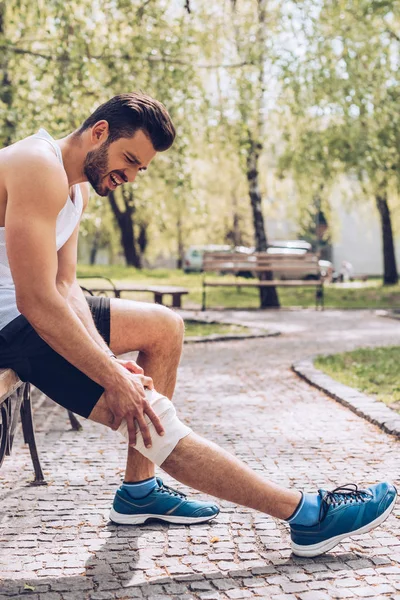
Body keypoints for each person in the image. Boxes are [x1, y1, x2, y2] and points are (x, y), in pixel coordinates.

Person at [0, 92, 396, 558]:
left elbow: (66, 286)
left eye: (139, 169)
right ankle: (308, 516)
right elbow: (38, 301)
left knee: (164, 327)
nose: (128, 177)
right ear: (100, 132)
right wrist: (113, 377)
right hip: (14, 327)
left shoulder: (75, 188)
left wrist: (108, 359)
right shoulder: (36, 165)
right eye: (128, 161)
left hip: (31, 314)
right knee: (146, 413)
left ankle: (139, 491)